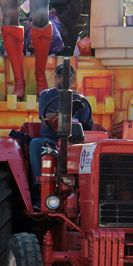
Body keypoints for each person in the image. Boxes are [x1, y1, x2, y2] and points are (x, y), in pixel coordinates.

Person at [28, 64, 92, 208]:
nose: (63, 78)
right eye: (60, 75)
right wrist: (68, 110)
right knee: (36, 144)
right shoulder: (46, 95)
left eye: (67, 76)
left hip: (74, 143)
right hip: (50, 141)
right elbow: (46, 121)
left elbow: (88, 126)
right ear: (55, 78)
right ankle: (41, 192)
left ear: (73, 79)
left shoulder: (81, 100)